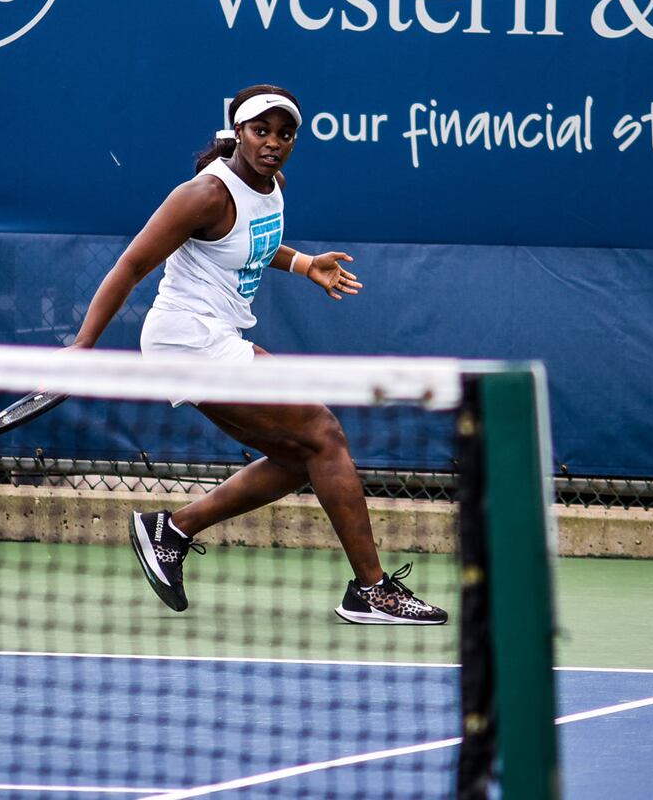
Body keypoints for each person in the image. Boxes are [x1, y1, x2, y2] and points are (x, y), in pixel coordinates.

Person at [70, 84, 446, 625]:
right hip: (187, 340)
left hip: (216, 335)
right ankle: (371, 590)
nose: (272, 142)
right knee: (324, 432)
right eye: (260, 131)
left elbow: (249, 243)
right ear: (238, 132)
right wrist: (83, 346)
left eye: (284, 133)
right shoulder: (203, 194)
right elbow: (130, 266)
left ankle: (172, 530)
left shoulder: (272, 186)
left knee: (303, 455)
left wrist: (303, 264)